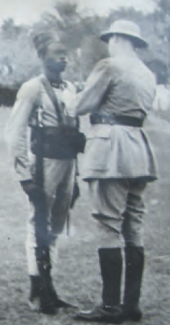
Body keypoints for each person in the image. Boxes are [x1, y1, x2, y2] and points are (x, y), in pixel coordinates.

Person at [74, 20, 158, 323]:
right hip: (138, 150)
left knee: (108, 223)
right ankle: (131, 305)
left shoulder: (109, 65)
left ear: (118, 39)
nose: (109, 44)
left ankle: (110, 307)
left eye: (111, 39)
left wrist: (73, 99)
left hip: (110, 148)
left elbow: (82, 105)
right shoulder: (148, 73)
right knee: (133, 225)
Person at [6, 29, 80, 315]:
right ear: (42, 57)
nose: (62, 59)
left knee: (57, 225)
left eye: (65, 54)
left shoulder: (71, 88)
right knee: (38, 223)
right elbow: (14, 134)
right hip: (43, 163)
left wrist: (77, 176)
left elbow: (74, 130)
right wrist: (25, 177)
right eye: (55, 54)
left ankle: (51, 288)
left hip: (68, 163)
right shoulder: (32, 88)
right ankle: (39, 288)